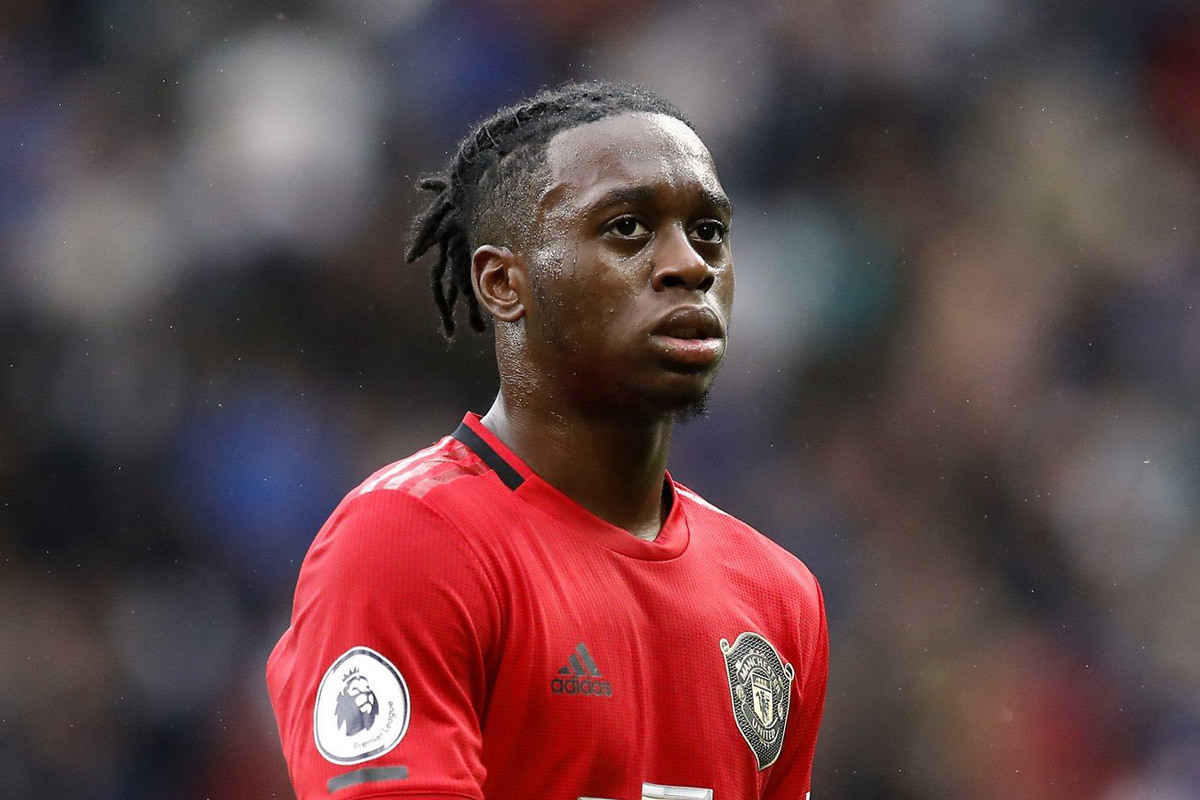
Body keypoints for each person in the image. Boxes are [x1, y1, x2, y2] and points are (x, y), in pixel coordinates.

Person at [267, 80, 828, 800]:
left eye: (709, 231)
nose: (691, 264)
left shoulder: (778, 596)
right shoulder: (410, 542)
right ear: (504, 282)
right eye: (628, 227)